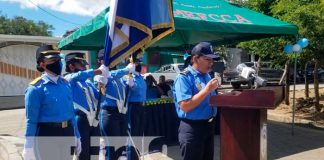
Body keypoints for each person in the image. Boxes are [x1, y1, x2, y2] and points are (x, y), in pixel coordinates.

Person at [23, 44, 81, 160]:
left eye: (59, 59)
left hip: (67, 132)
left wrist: (77, 136)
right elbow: (31, 120)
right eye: (53, 60)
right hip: (47, 135)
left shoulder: (65, 84)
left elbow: (71, 113)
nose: (58, 62)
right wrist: (28, 145)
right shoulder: (35, 88)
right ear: (42, 64)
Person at [173, 42, 220, 160]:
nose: (211, 63)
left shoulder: (206, 76)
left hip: (208, 127)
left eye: (212, 60)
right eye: (207, 59)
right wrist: (207, 89)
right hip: (192, 129)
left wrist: (228, 96)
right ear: (195, 59)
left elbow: (210, 98)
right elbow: (185, 106)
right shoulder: (184, 77)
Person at [64, 52, 109, 160]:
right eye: (81, 64)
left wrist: (102, 85)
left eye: (85, 65)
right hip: (81, 120)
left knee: (94, 152)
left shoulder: (87, 83)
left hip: (94, 119)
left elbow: (100, 98)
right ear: (71, 66)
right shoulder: (69, 79)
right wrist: (97, 71)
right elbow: (78, 76)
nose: (84, 67)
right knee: (83, 154)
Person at [94, 49, 136, 160]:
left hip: (121, 113)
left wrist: (130, 84)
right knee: (112, 149)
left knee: (120, 147)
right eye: (108, 59)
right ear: (100, 61)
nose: (112, 61)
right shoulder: (99, 75)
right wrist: (126, 70)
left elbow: (125, 92)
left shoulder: (120, 77)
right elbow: (109, 76)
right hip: (109, 114)